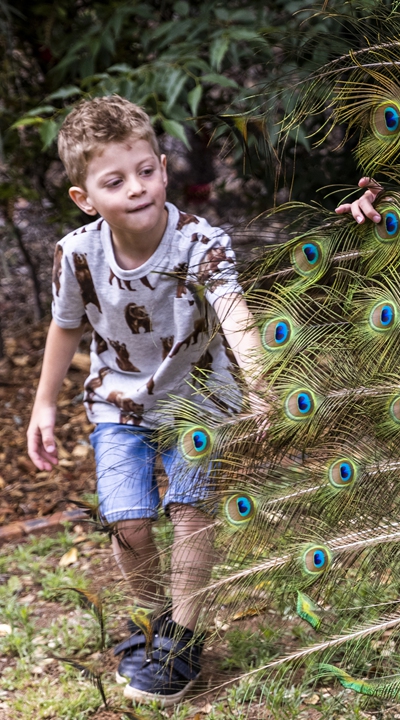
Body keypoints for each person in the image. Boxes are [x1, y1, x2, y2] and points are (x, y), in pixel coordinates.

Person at [25, 95, 380, 706]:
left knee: (189, 511)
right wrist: (44, 407)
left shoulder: (199, 242)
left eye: (146, 171)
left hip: (199, 401)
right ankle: (152, 617)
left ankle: (183, 636)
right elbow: (64, 327)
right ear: (86, 198)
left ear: (163, 168)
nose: (137, 188)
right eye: (115, 180)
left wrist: (265, 389)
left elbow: (235, 314)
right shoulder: (77, 255)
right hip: (120, 406)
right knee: (129, 521)